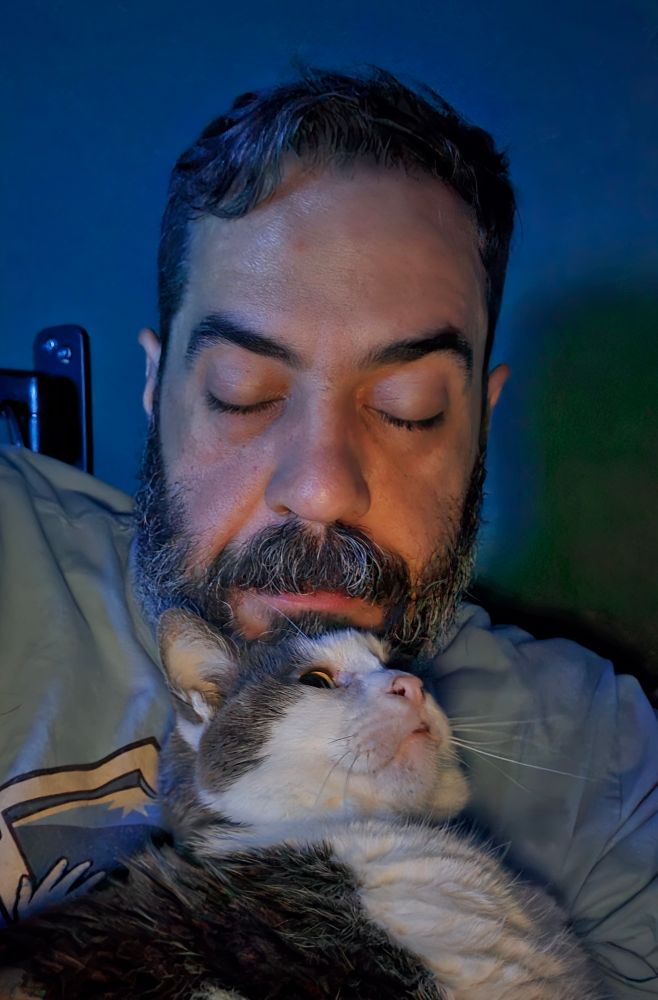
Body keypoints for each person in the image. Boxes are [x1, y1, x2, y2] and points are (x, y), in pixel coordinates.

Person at [0, 67, 656, 996]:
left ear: (479, 424)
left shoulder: (604, 754)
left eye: (410, 408)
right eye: (244, 394)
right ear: (155, 390)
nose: (320, 489)